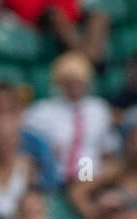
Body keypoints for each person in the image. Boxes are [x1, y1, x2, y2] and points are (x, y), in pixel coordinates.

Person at [24, 52, 113, 187]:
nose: (75, 87)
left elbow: (107, 148)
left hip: (88, 176)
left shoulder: (98, 109)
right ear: (59, 83)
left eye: (80, 82)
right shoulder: (41, 111)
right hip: (55, 176)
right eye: (70, 82)